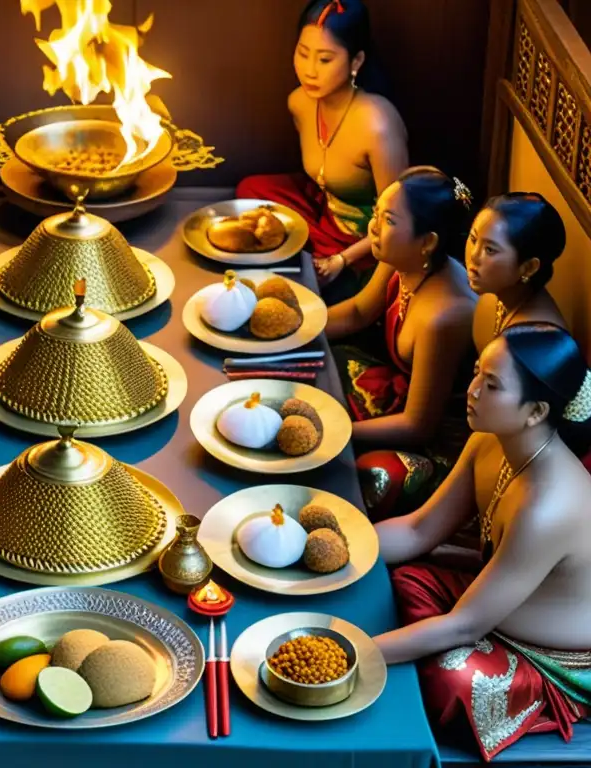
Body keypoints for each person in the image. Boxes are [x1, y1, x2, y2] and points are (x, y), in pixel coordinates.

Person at [374, 323, 591, 761]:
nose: (471, 390)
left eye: (491, 385)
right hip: (484, 608)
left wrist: (357, 650)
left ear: (535, 411)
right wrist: (338, 544)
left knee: (452, 677)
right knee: (406, 578)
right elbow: (418, 530)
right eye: (476, 373)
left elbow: (465, 627)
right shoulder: (486, 442)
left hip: (550, 655)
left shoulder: (548, 505)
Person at [327, 167, 476, 519]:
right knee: (319, 364)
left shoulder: (446, 315)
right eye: (376, 213)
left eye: (389, 219)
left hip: (437, 443)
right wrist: (293, 328)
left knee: (374, 478)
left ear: (428, 241)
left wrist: (336, 432)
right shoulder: (402, 259)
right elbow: (358, 313)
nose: (373, 227)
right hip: (397, 393)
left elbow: (418, 425)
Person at [236, 0, 409, 303]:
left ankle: (318, 264)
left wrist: (341, 260)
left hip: (369, 244)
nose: (310, 70)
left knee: (326, 290)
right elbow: (321, 179)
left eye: (325, 59)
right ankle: (309, 257)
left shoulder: (377, 125)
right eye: (303, 54)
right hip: (325, 215)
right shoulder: (299, 103)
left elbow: (399, 222)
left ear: (356, 62)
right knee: (251, 190)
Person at [467, 192, 568, 352]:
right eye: (473, 239)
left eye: (490, 250)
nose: (474, 255)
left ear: (528, 267)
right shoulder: (495, 299)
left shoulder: (536, 341)